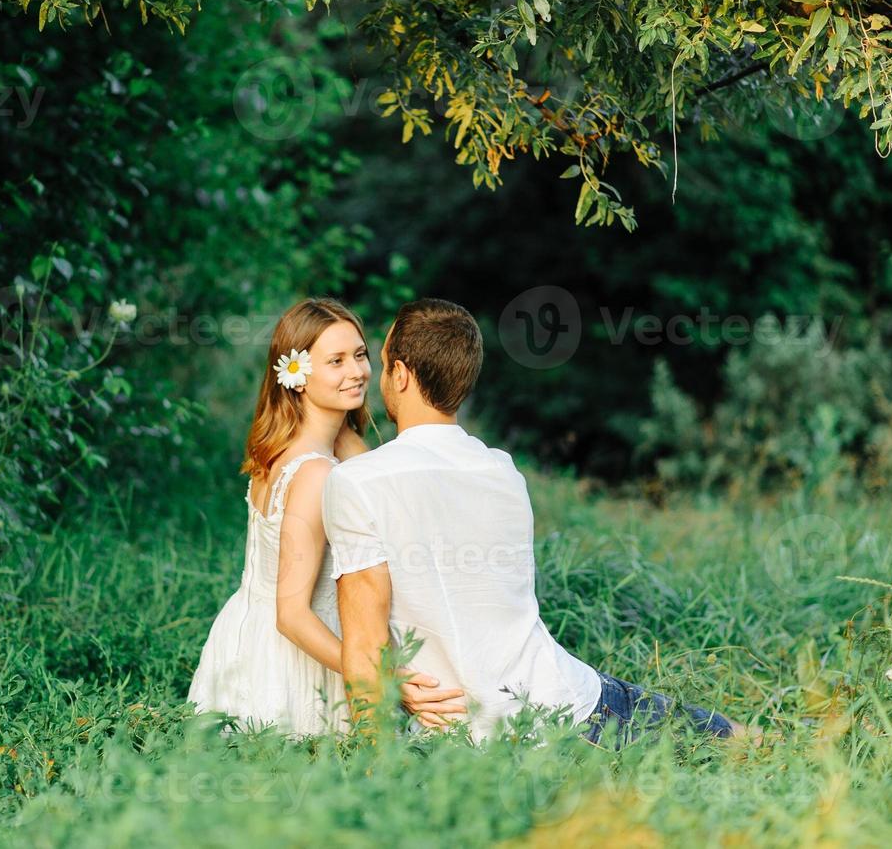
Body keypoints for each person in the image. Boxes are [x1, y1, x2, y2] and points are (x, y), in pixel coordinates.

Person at [324, 297, 749, 748]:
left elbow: (366, 647)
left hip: (463, 732)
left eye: (385, 363)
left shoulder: (355, 481)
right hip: (571, 704)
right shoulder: (503, 471)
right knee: (736, 740)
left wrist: (375, 764)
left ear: (402, 375)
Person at [187, 297, 468, 736]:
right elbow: (292, 615)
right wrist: (382, 679)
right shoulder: (315, 472)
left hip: (248, 634)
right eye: (335, 361)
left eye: (359, 355)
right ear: (296, 376)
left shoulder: (324, 445)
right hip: (293, 655)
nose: (356, 371)